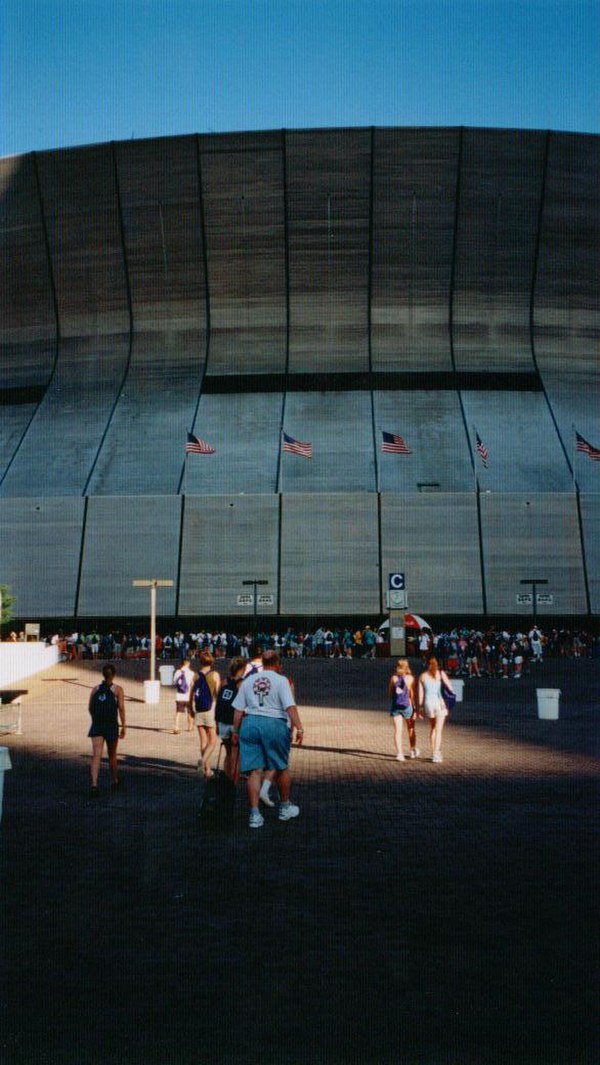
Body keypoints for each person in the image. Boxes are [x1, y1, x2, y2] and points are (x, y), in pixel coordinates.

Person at [232, 649, 304, 829]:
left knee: (254, 771)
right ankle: (284, 807)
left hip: (250, 724)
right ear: (278, 664)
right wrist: (299, 728)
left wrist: (235, 730)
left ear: (263, 664)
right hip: (274, 724)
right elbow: (290, 707)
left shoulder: (248, 681)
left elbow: (238, 709)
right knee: (281, 766)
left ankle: (255, 814)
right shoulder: (281, 681)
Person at [88, 664, 126, 796]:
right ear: (114, 675)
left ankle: (94, 784)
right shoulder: (118, 690)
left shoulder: (95, 689)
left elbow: (90, 708)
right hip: (111, 725)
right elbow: (121, 708)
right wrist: (124, 725)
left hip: (97, 725)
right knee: (112, 755)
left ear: (103, 675)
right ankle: (114, 780)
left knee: (96, 755)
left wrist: (95, 720)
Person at [215, 655, 246, 781]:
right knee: (236, 755)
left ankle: (227, 779)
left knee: (228, 753)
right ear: (243, 668)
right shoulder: (242, 684)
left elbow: (218, 702)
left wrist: (216, 722)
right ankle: (233, 783)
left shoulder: (224, 682)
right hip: (234, 722)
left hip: (222, 721)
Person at [417, 657, 453, 764]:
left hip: (428, 703)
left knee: (432, 728)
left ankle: (433, 752)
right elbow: (450, 688)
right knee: (439, 730)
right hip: (439, 703)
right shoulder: (440, 673)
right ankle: (437, 753)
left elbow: (420, 694)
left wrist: (420, 707)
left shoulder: (422, 676)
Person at [193, 650, 221, 778]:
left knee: (203, 741)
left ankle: (207, 770)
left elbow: (191, 695)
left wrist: (191, 709)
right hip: (211, 709)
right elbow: (217, 694)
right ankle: (203, 762)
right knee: (213, 740)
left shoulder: (196, 676)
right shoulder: (215, 675)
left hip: (199, 709)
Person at [388, 658, 420, 761]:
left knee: (398, 731)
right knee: (411, 729)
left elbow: (390, 693)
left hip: (396, 706)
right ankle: (412, 750)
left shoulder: (393, 678)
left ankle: (400, 754)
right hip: (407, 706)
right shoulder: (410, 678)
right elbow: (412, 694)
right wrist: (414, 708)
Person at [172, 656, 196, 734]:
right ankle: (190, 727)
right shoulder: (192, 673)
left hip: (179, 695)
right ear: (188, 663)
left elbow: (175, 682)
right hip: (188, 695)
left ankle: (176, 727)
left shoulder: (178, 672)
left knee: (178, 712)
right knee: (189, 712)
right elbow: (192, 684)